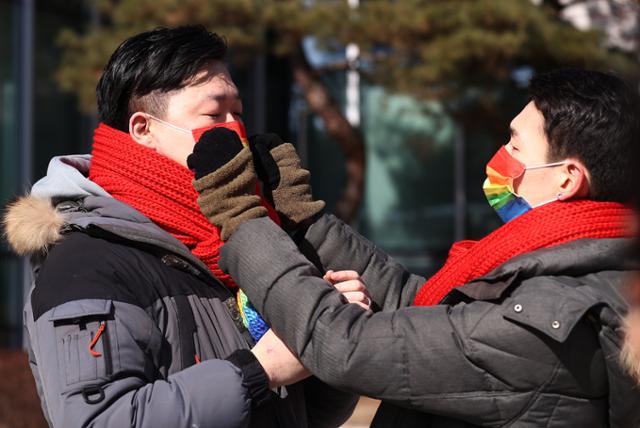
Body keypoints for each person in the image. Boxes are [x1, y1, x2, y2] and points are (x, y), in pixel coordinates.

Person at [187, 68, 640, 427]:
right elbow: (420, 306)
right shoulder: (581, 263)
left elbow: (347, 347)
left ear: (567, 178)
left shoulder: (553, 316)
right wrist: (304, 218)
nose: (501, 155)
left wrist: (242, 217)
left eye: (516, 144)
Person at [2, 26, 358, 427]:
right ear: (144, 130)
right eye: (213, 114)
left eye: (238, 113)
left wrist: (328, 338)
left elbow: (303, 413)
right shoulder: (85, 262)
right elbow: (100, 420)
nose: (236, 133)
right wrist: (261, 370)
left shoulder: (239, 239)